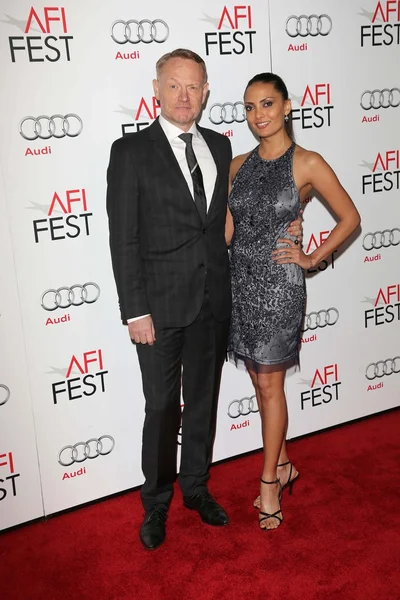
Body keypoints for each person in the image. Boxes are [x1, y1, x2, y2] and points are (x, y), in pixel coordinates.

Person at [106, 51, 302, 550]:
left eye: (194, 87)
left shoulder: (221, 146)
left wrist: (291, 228)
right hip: (159, 309)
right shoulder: (130, 152)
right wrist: (135, 310)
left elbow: (232, 220)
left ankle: (195, 487)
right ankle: (155, 503)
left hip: (215, 301)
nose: (184, 96)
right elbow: (123, 239)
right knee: (161, 407)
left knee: (203, 406)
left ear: (207, 91)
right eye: (174, 86)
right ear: (157, 89)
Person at [225, 72, 360, 531]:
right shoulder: (237, 163)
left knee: (269, 386)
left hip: (279, 287)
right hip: (239, 284)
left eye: (266, 104)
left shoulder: (307, 162)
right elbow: (227, 229)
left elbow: (350, 217)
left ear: (286, 106)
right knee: (260, 384)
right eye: (249, 107)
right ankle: (282, 463)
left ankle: (268, 483)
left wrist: (311, 259)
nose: (257, 115)